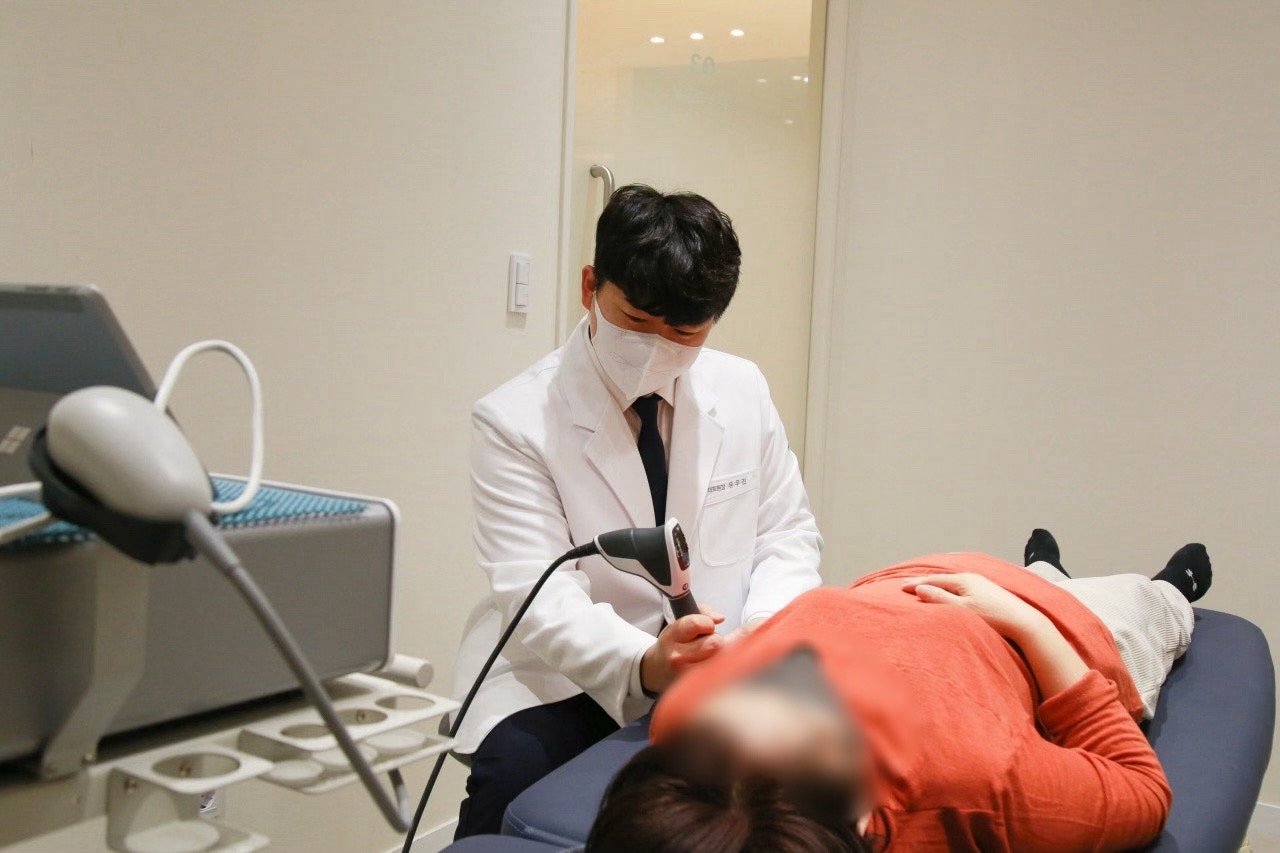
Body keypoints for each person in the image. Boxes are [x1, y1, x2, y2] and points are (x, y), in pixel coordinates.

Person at [449, 185, 824, 837]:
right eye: (637, 320)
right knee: (509, 782)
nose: (656, 347)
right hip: (569, 675)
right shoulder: (513, 420)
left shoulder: (742, 389)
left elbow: (786, 534)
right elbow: (537, 594)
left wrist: (762, 636)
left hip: (729, 663)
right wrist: (648, 663)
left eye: (683, 331)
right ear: (589, 286)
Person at [587, 530, 1211, 852]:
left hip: (951, 588)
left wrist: (1026, 618)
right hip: (1006, 613)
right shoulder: (979, 778)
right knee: (1138, 598)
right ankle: (1164, 584)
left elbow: (1144, 792)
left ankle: (1058, 575)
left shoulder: (687, 723)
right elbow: (1139, 785)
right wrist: (1025, 623)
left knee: (1099, 596)